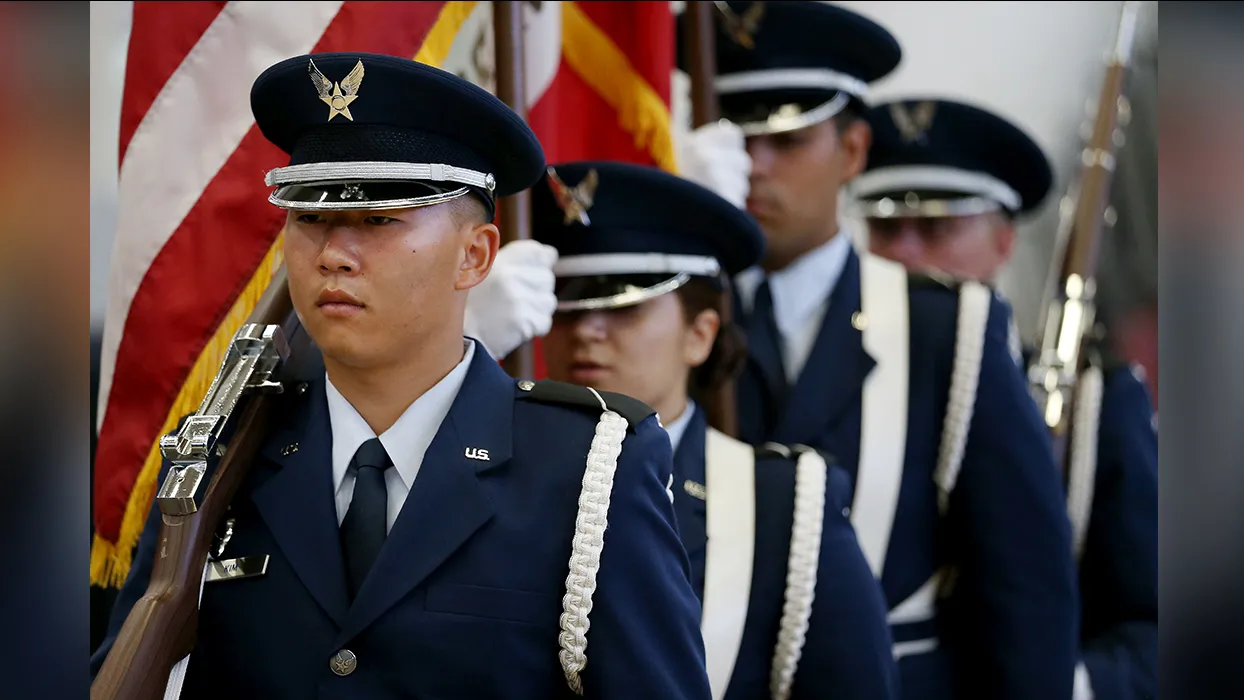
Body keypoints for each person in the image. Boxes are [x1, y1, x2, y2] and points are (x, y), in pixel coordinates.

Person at [90, 52, 711, 700]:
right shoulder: (224, 456)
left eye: (378, 221)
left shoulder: (588, 468)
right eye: (310, 218)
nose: (334, 254)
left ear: (475, 255)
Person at [672, 3, 1080, 699]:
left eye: (788, 140)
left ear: (854, 152)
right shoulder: (672, 321)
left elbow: (1026, 595)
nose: (756, 165)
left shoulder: (944, 328)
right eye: (736, 137)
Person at [533, 159, 899, 700]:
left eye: (624, 306)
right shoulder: (496, 479)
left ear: (700, 335)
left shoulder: (783, 506)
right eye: (566, 307)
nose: (586, 329)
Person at [853, 96, 1158, 700]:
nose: (904, 255)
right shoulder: (835, 390)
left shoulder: (1097, 401)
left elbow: (1153, 625)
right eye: (885, 228)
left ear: (1003, 242)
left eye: (938, 229)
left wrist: (1063, 682)